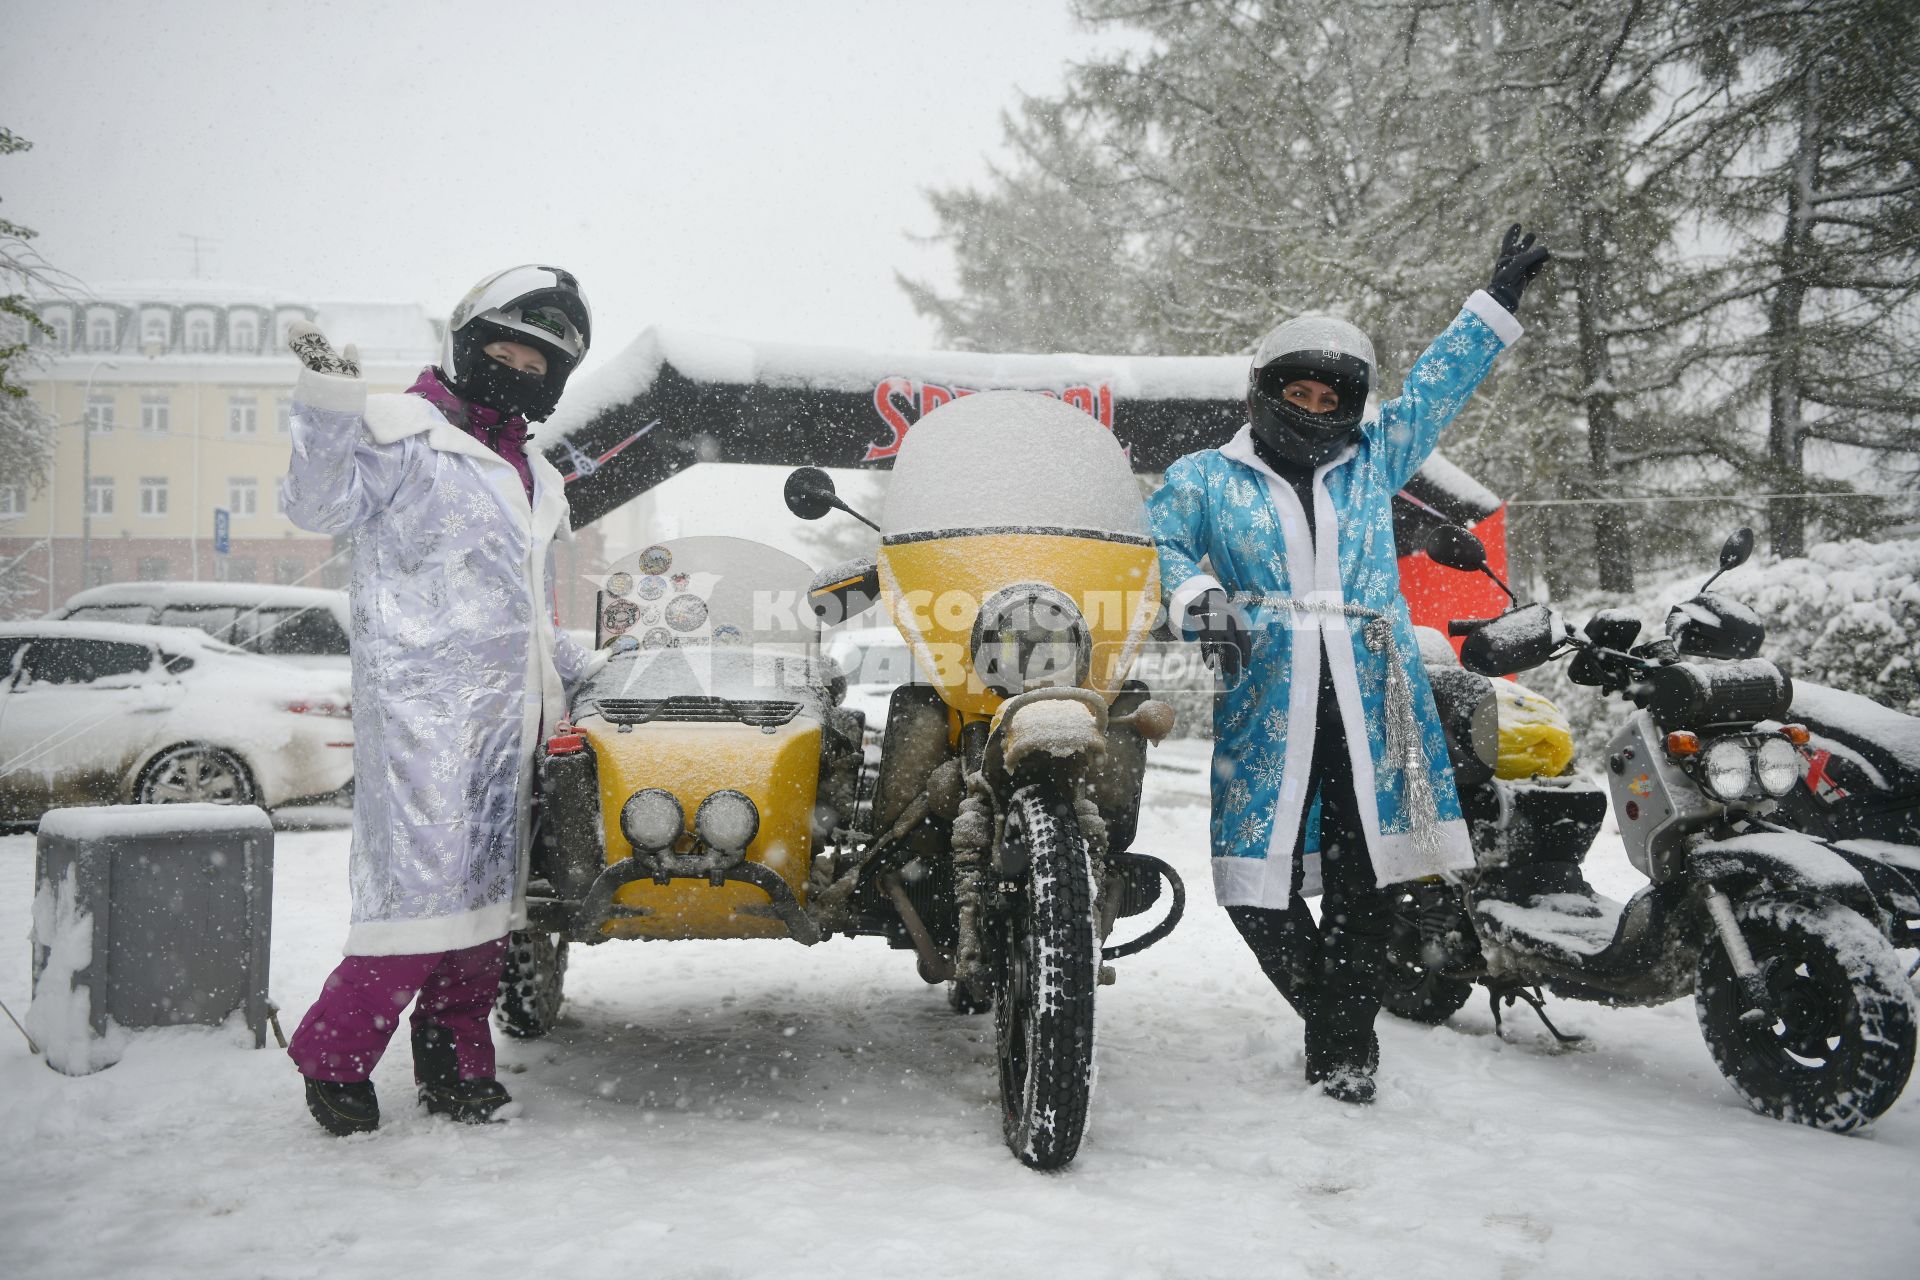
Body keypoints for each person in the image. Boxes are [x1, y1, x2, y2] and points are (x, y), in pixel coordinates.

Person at [1147, 227, 1550, 1103]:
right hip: (1269, 696)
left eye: (1331, 393)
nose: (1315, 404)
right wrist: (1197, 601)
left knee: (1371, 881)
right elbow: (1159, 546)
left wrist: (1493, 310)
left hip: (1377, 690)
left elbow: (1438, 391)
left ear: (1351, 402)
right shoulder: (1205, 478)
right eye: (1298, 386)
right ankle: (1335, 1015)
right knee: (1253, 883)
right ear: (1266, 392)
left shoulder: (1373, 462)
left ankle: (1344, 1052)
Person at [280, 265, 598, 1135]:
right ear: (467, 341)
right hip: (421, 713)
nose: (520, 370)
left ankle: (457, 1068)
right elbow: (315, 502)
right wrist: (327, 406)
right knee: (417, 902)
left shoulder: (532, 471)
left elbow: (523, 613)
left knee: (491, 904)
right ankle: (332, 1056)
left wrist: (593, 662)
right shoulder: (401, 435)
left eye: (541, 365)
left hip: (508, 720)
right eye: (506, 348)